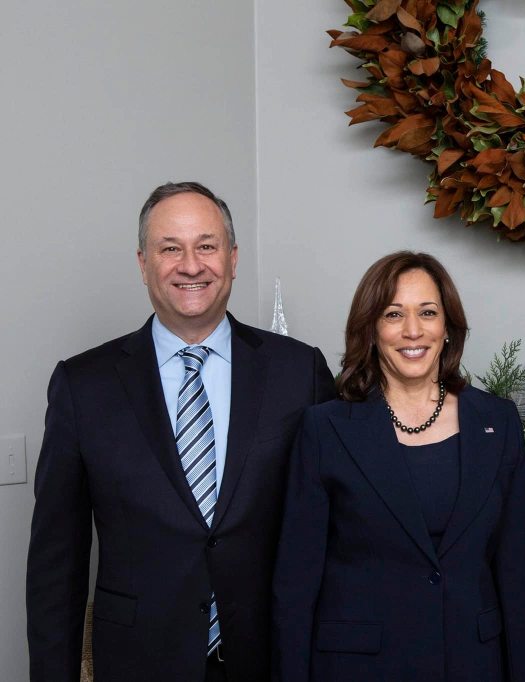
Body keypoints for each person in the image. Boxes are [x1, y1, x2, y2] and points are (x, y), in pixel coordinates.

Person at [26, 181, 336, 682]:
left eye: (206, 246)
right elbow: (54, 569)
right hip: (139, 661)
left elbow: (335, 535)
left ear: (233, 258)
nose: (191, 265)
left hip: (273, 658)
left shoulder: (299, 372)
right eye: (170, 248)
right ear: (143, 263)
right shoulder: (84, 386)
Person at [271, 251, 525, 681]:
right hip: (358, 668)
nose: (412, 330)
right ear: (372, 330)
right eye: (393, 314)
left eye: (428, 312)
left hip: (474, 665)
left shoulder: (498, 422)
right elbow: (295, 589)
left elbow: (517, 577)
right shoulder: (325, 430)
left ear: (448, 328)